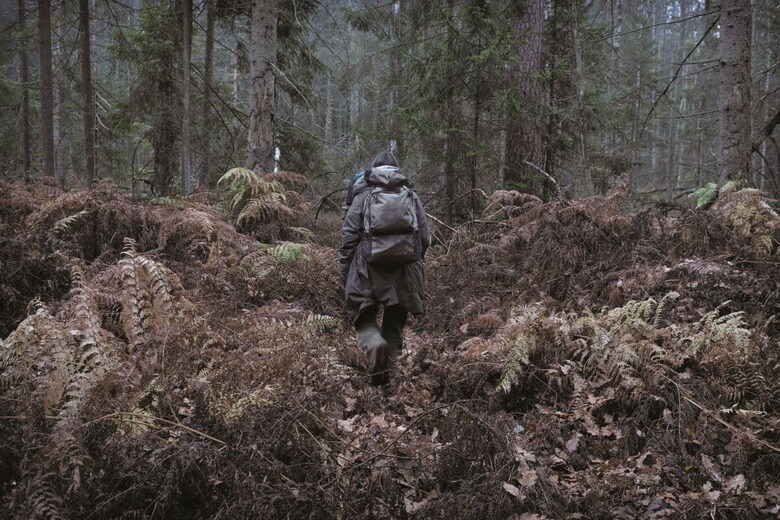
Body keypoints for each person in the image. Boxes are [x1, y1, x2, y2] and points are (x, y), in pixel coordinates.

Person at [339, 151, 430, 385]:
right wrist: (413, 261)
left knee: (363, 316)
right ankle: (389, 384)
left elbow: (349, 235)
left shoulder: (363, 194)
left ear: (374, 169)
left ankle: (374, 347)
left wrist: (346, 269)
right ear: (397, 170)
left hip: (367, 268)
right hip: (404, 270)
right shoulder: (410, 194)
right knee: (395, 324)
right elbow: (425, 237)